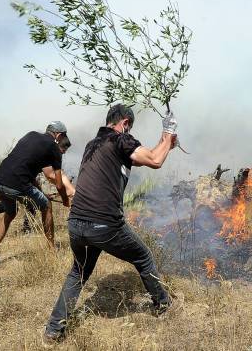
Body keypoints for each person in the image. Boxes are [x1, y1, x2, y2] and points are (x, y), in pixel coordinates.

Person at [43, 104, 178, 342]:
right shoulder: (119, 140)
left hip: (76, 223)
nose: (129, 132)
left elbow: (144, 158)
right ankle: (164, 305)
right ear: (124, 123)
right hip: (104, 223)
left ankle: (54, 329)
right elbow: (156, 161)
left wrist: (165, 142)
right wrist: (168, 131)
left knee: (78, 272)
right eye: (130, 127)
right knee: (143, 257)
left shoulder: (94, 145)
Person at [0, 121, 71, 268]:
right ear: (59, 135)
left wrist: (40, 194)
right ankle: (51, 251)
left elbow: (27, 169)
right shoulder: (54, 148)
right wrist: (65, 199)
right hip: (16, 185)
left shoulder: (31, 135)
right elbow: (59, 184)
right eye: (63, 137)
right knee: (47, 206)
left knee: (10, 212)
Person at [0, 166, 76, 233]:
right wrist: (42, 194)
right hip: (16, 180)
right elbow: (33, 180)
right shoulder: (40, 159)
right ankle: (26, 228)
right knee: (28, 202)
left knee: (15, 204)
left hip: (11, 178)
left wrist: (42, 194)